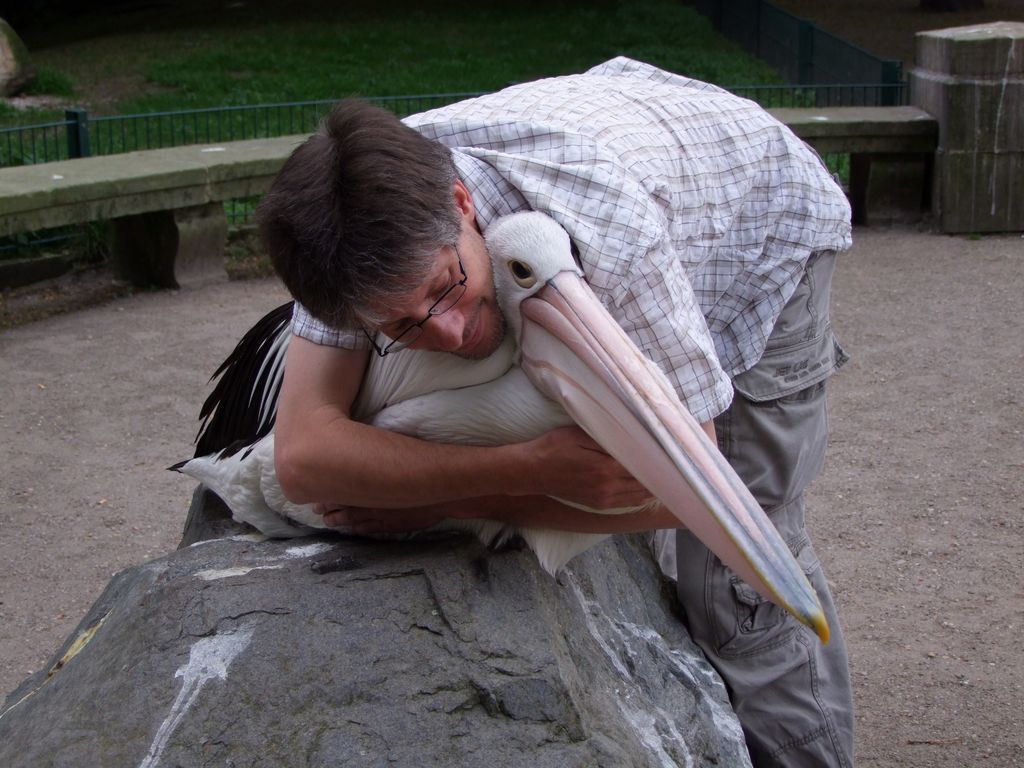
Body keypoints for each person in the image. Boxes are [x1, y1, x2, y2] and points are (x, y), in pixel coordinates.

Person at [257, 57, 854, 767]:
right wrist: (528, 473)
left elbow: (692, 500)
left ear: (463, 204)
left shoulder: (615, 238)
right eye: (401, 326)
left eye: (447, 288)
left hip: (754, 233)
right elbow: (303, 457)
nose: (448, 335)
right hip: (616, 150)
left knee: (732, 584)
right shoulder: (350, 236)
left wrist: (468, 497)